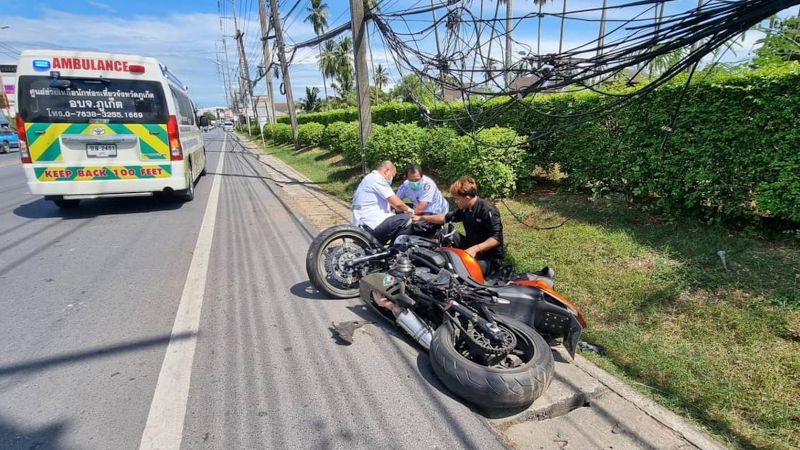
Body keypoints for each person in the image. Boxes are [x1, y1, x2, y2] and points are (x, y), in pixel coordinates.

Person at [415, 176, 505, 276]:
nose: (455, 201)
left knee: (460, 269)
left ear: (467, 198)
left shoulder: (487, 210)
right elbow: (444, 217)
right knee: (445, 233)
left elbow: (496, 239)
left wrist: (475, 249)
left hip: (489, 258)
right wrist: (422, 218)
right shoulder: (465, 209)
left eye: (457, 199)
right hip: (470, 245)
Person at [352, 160, 415, 243]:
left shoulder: (369, 178)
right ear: (386, 171)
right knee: (408, 219)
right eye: (392, 175)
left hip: (362, 224)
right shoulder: (378, 179)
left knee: (398, 217)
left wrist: (399, 208)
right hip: (371, 225)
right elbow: (397, 203)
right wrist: (410, 210)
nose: (391, 179)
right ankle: (396, 252)